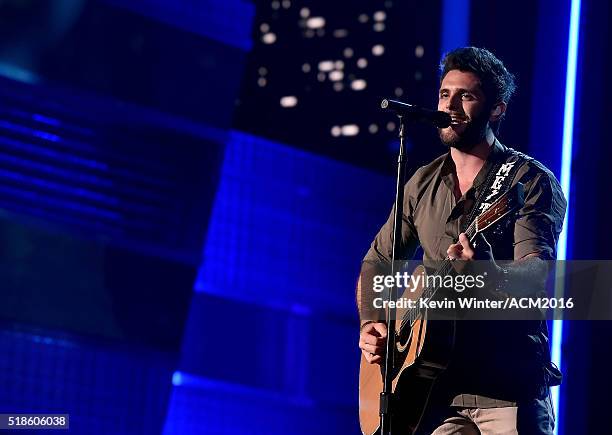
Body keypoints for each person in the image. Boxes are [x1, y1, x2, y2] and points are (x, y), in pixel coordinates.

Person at [357, 47, 567, 434]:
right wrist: (372, 321)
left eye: (465, 96)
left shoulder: (528, 181)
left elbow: (538, 278)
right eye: (444, 94)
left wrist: (485, 273)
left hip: (507, 388)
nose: (449, 104)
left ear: (497, 110)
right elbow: (378, 260)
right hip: (435, 390)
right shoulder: (422, 182)